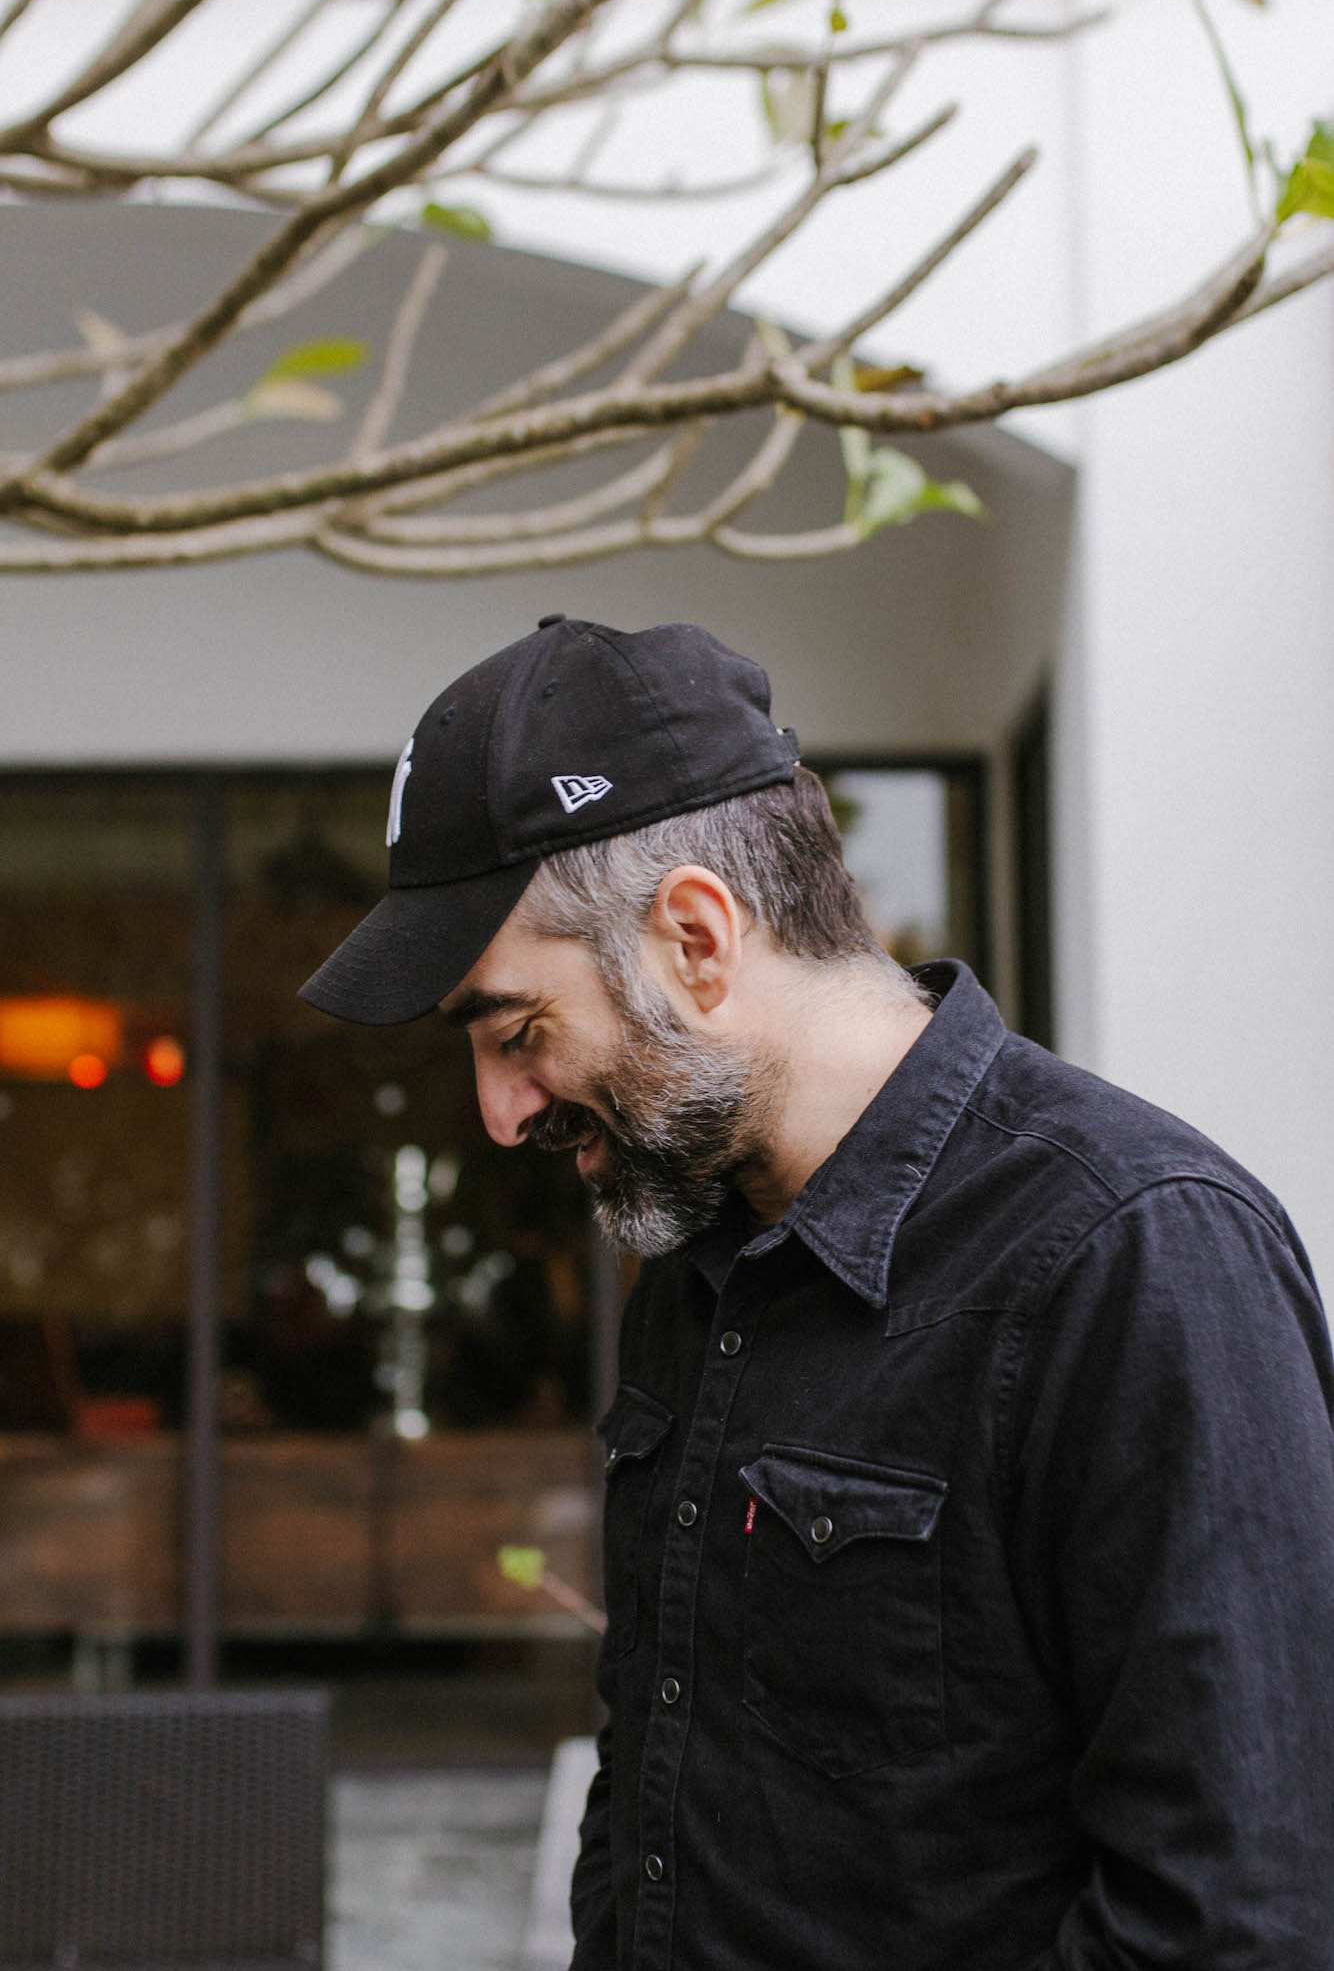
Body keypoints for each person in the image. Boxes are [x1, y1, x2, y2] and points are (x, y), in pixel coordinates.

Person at [301, 615, 1334, 1971]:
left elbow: (1235, 1918)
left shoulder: (1134, 1255)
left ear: (695, 938)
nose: (499, 1113)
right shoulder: (691, 1262)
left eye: (517, 1030)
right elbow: (652, 1774)